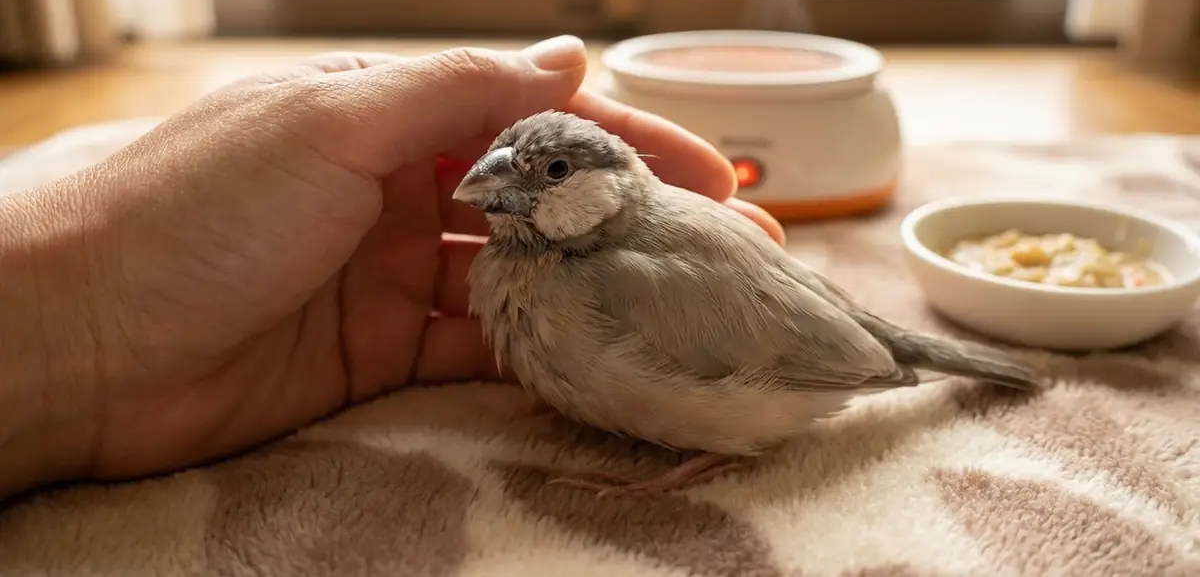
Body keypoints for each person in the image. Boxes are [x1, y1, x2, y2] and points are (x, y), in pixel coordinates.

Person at [0, 35, 784, 502]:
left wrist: (82, 324)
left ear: (610, 189)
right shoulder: (528, 265)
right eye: (508, 167)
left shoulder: (625, 275)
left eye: (548, 175)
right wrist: (86, 304)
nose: (498, 185)